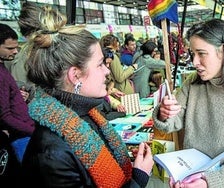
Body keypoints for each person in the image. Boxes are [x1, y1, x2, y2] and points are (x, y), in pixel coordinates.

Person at [21, 6, 153, 187]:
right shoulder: (51, 154)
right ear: (75, 75)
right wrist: (138, 178)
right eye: (100, 65)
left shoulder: (88, 115)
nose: (107, 71)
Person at [152, 19, 224, 188]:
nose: (194, 62)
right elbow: (174, 120)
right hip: (189, 174)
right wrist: (165, 113)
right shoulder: (194, 83)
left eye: (201, 53)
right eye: (193, 54)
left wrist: (209, 182)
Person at [0, 23, 35, 186]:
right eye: (9, 48)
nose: (15, 51)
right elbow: (4, 115)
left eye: (16, 47)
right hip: (21, 136)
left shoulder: (3, 69)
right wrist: (32, 130)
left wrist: (18, 96)